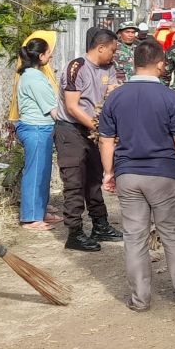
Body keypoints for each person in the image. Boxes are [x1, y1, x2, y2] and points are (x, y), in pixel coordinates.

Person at [98, 39, 175, 311]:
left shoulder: (115, 97)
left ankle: (139, 299)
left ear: (135, 63)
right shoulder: (170, 97)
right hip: (163, 175)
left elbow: (106, 140)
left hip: (128, 176)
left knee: (134, 237)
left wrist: (108, 172)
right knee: (173, 235)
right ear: (162, 65)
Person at [54, 28, 124, 252]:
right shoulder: (76, 67)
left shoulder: (109, 67)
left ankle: (100, 225)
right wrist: (99, 127)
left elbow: (112, 93)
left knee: (95, 179)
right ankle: (74, 233)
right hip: (71, 130)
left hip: (95, 131)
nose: (114, 55)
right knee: (74, 182)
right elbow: (72, 107)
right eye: (112, 50)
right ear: (100, 47)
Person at [13, 33, 60, 231]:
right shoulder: (34, 79)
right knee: (35, 173)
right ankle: (30, 218)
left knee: (43, 171)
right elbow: (53, 110)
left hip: (41, 128)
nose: (51, 56)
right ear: (41, 56)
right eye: (49, 53)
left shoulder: (34, 75)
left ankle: (40, 209)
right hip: (36, 128)